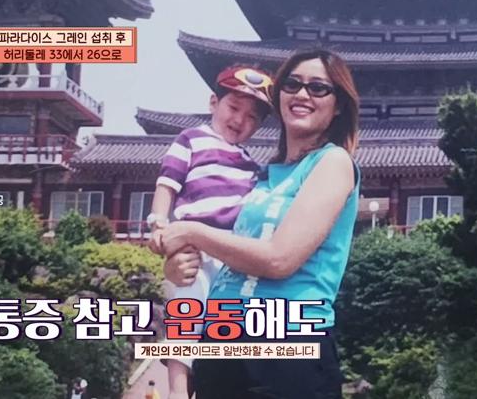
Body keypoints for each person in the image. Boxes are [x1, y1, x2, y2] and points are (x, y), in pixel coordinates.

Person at [161, 49, 361, 399]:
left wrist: (192, 232)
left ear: (338, 105)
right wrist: (178, 265)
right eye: (292, 84)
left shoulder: (332, 162)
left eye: (318, 88)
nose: (302, 94)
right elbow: (223, 250)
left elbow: (278, 259)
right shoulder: (259, 175)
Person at [146, 65, 273, 399]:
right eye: (234, 107)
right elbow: (167, 184)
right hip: (193, 247)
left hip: (229, 251)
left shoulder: (251, 164)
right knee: (187, 308)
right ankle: (177, 390)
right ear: (213, 103)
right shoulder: (190, 139)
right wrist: (158, 223)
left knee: (219, 322)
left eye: (252, 117)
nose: (240, 120)